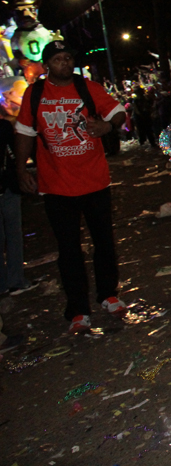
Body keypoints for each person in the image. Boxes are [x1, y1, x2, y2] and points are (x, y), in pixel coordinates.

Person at [15, 40, 128, 332]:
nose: (64, 63)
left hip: (95, 181)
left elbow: (118, 112)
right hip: (56, 186)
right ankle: (78, 310)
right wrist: (21, 168)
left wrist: (108, 126)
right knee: (69, 250)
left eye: (68, 58)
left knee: (103, 242)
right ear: (46, 65)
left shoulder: (87, 88)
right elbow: (25, 131)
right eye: (58, 59)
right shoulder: (35, 93)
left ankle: (108, 294)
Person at [0, 118, 28, 296]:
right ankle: (16, 280)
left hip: (7, 184)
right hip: (7, 184)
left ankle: (3, 283)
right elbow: (14, 151)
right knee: (13, 234)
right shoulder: (3, 127)